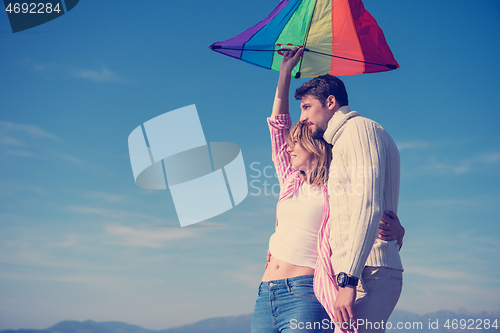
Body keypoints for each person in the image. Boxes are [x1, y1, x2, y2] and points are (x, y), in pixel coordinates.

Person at [250, 48, 404, 333]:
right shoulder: (291, 181)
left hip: (305, 292)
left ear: (312, 147)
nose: (286, 147)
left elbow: (363, 206)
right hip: (266, 292)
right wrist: (284, 73)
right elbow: (277, 128)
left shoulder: (333, 188)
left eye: (295, 142)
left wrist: (396, 229)